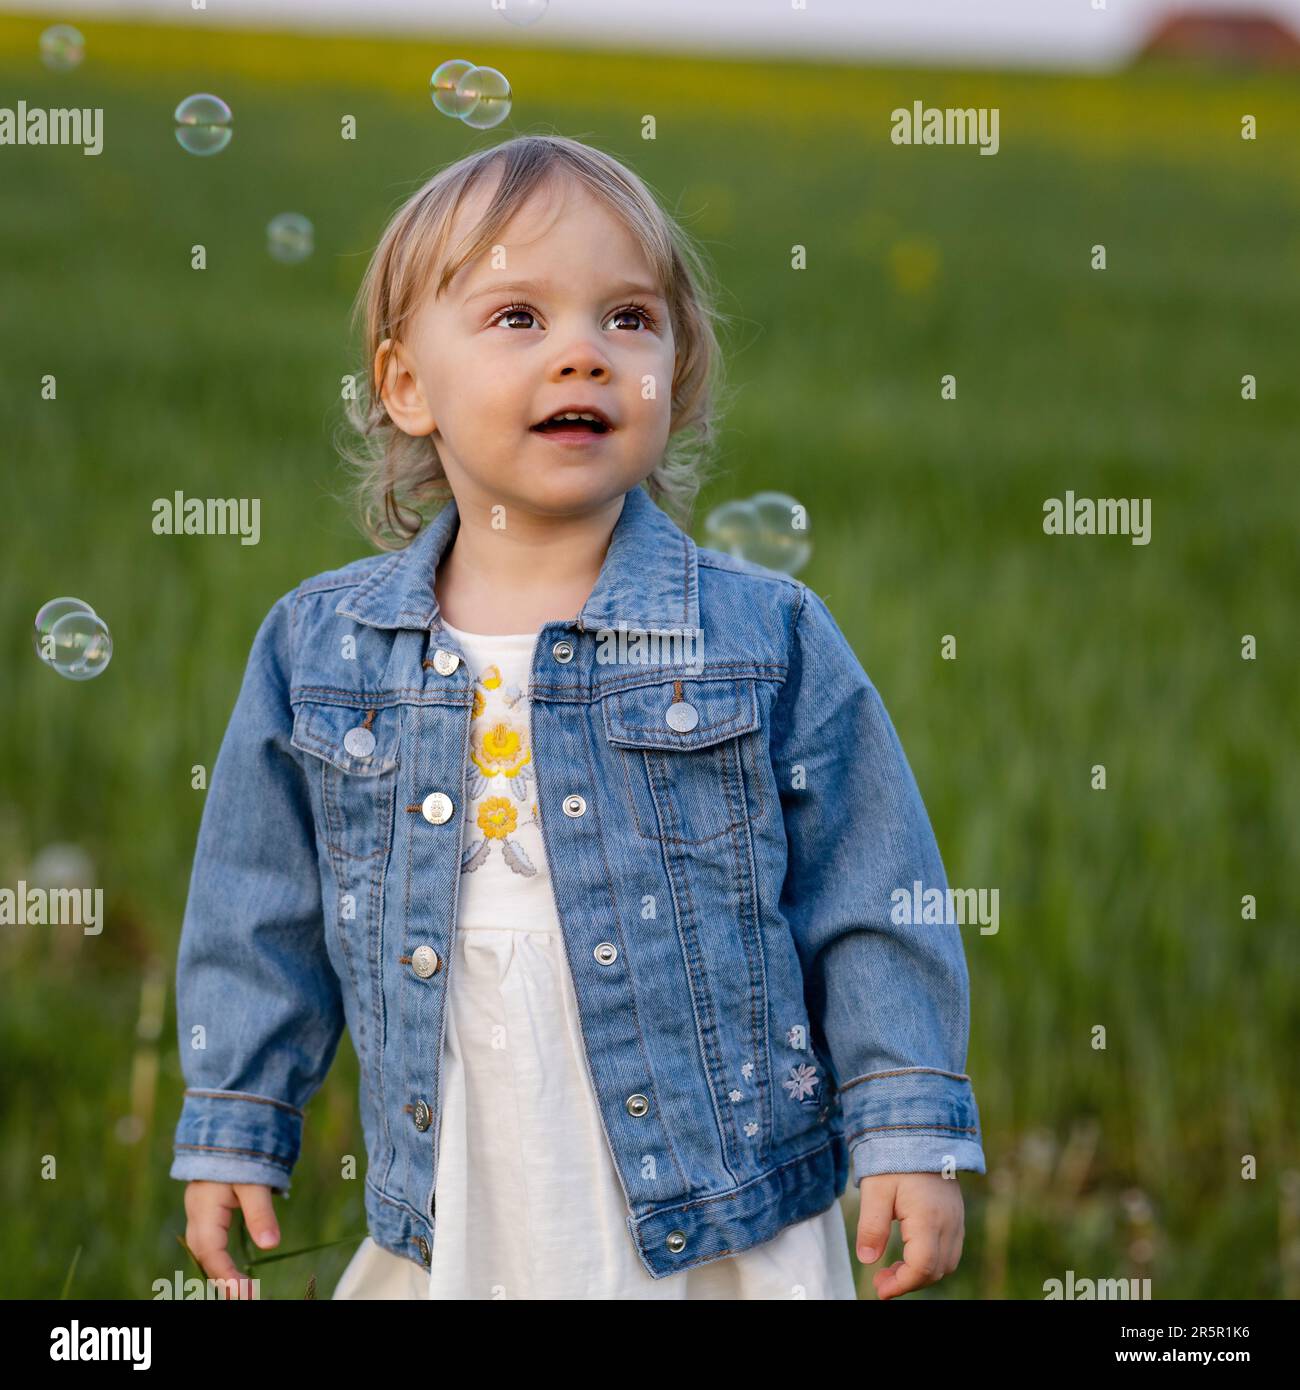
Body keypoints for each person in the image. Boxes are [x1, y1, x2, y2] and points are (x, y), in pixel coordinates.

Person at [172, 134, 985, 1301]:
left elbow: (872, 889)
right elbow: (260, 911)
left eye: (629, 320)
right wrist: (237, 1117)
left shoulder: (760, 636)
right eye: (517, 318)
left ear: (677, 375)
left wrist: (907, 1124)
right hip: (460, 1191)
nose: (583, 356)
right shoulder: (325, 649)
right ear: (406, 386)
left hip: (715, 1205)